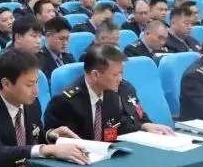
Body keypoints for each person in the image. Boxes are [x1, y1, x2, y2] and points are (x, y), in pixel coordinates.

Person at [44, 44, 174, 140]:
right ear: (95, 75)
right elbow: (61, 142)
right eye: (115, 75)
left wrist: (143, 126)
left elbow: (118, 127)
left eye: (121, 73)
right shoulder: (66, 103)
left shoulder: (112, 93)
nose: (120, 79)